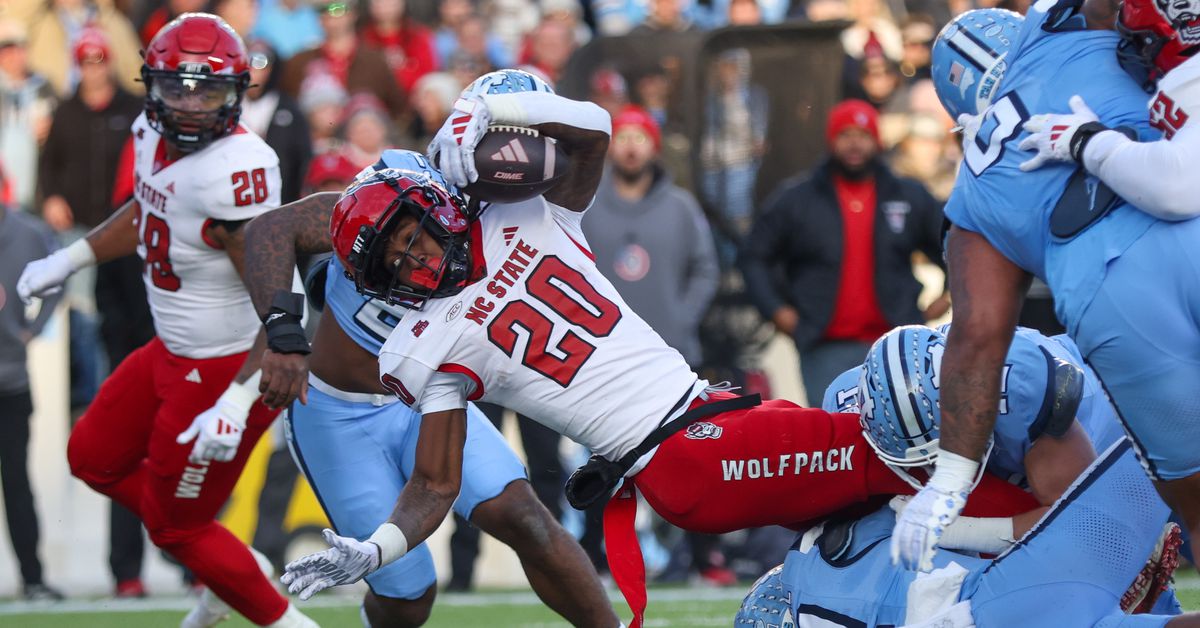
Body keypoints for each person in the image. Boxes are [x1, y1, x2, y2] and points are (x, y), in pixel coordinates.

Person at [250, 69, 1038, 627]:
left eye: (415, 240)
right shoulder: (426, 339)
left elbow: (593, 131)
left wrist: (511, 117)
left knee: (873, 465)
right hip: (688, 451)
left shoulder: (528, 212)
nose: (416, 264)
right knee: (902, 437)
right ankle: (1053, 535)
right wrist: (376, 548)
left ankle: (915, 588)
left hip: (703, 425)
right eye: (394, 266)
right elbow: (433, 483)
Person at [15, 14, 314, 627]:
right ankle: (229, 561)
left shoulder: (238, 170)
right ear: (149, 84)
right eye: (176, 87)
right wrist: (70, 258)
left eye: (208, 91)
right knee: (93, 457)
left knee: (175, 528)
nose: (190, 105)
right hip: (170, 350)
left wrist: (237, 400)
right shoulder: (149, 135)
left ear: (236, 95)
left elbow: (280, 295)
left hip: (229, 364)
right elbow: (152, 209)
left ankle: (286, 621)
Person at [241, 149, 620, 627]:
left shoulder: (485, 218)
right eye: (389, 256)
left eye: (411, 239)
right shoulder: (378, 208)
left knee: (525, 517)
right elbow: (271, 228)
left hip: (428, 396)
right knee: (408, 598)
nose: (408, 261)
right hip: (339, 415)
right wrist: (284, 334)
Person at [890, 1, 1200, 573]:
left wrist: (950, 482)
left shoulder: (972, 197)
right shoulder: (1063, 25)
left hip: (1114, 306)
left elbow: (978, 338)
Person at [736, 439, 1190, 627]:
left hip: (1002, 605)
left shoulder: (827, 592)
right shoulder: (824, 554)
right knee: (1169, 427)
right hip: (1009, 583)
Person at [582, 104, 727, 584]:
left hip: (671, 355)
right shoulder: (585, 204)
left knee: (686, 454)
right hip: (603, 357)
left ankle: (699, 558)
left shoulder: (681, 206)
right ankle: (595, 557)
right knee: (602, 460)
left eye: (638, 136)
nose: (629, 145)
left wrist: (682, 319)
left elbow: (706, 269)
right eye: (621, 136)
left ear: (654, 145)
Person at [740, 99, 947, 404]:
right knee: (835, 436)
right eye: (845, 135)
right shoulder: (798, 198)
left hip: (895, 344)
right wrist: (777, 311)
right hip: (824, 345)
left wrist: (948, 297)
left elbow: (953, 245)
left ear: (876, 140)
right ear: (831, 139)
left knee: (903, 431)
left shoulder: (907, 194)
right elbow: (753, 256)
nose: (854, 144)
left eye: (862, 135)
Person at [826, 324, 1128, 516]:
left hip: (1110, 417)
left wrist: (971, 534)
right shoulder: (845, 406)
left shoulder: (1019, 388)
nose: (936, 469)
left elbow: (1076, 519)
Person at [0, 206, 65, 601]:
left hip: (11, 380)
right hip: (12, 375)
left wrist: (33, 329)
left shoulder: (28, 232)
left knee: (18, 484)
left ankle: (33, 577)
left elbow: (58, 282)